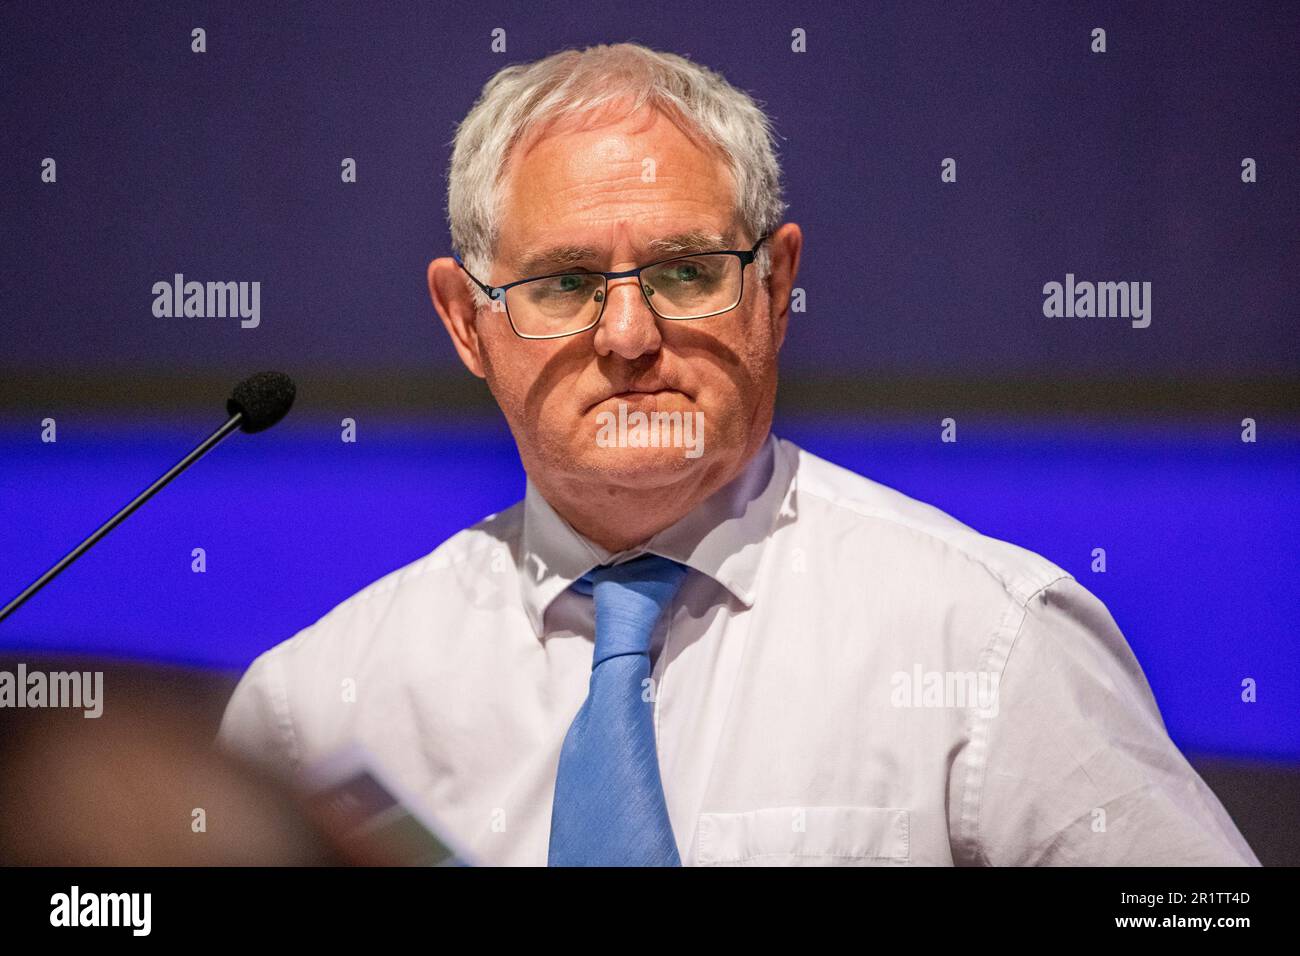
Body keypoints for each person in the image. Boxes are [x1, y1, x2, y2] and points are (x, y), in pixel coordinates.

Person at [218, 42, 1258, 866]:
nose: (626, 336)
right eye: (566, 284)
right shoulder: (316, 707)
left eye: (683, 270)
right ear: (464, 319)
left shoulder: (983, 640)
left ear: (775, 282)